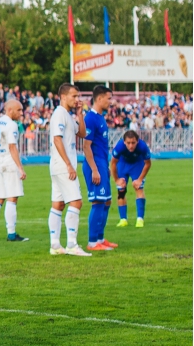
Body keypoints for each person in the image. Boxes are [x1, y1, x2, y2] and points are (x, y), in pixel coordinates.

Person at [48, 83, 88, 256]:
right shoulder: (59, 114)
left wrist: (79, 115)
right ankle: (72, 244)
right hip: (63, 166)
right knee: (76, 202)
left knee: (58, 204)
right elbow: (57, 140)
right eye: (74, 96)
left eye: (78, 96)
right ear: (63, 97)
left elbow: (82, 134)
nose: (77, 99)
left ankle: (55, 245)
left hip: (57, 166)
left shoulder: (68, 115)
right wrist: (69, 165)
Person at [0, 99, 28, 242]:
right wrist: (20, 168)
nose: (21, 113)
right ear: (10, 110)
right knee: (12, 198)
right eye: (19, 110)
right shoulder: (12, 125)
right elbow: (12, 147)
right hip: (9, 165)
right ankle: (11, 233)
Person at [82, 86, 117, 251]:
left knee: (107, 201)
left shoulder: (101, 118)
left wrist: (106, 166)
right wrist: (95, 169)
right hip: (94, 165)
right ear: (99, 98)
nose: (111, 102)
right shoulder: (90, 118)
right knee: (98, 201)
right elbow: (86, 146)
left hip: (102, 164)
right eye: (108, 98)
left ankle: (100, 238)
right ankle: (92, 242)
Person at [112, 130, 152, 228]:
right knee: (121, 191)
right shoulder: (119, 147)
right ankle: (123, 219)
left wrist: (140, 179)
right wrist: (116, 179)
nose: (131, 146)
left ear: (137, 141)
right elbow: (113, 163)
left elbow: (148, 163)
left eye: (133, 143)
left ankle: (140, 219)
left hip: (137, 164)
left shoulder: (142, 147)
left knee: (139, 188)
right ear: (124, 142)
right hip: (123, 164)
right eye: (128, 143)